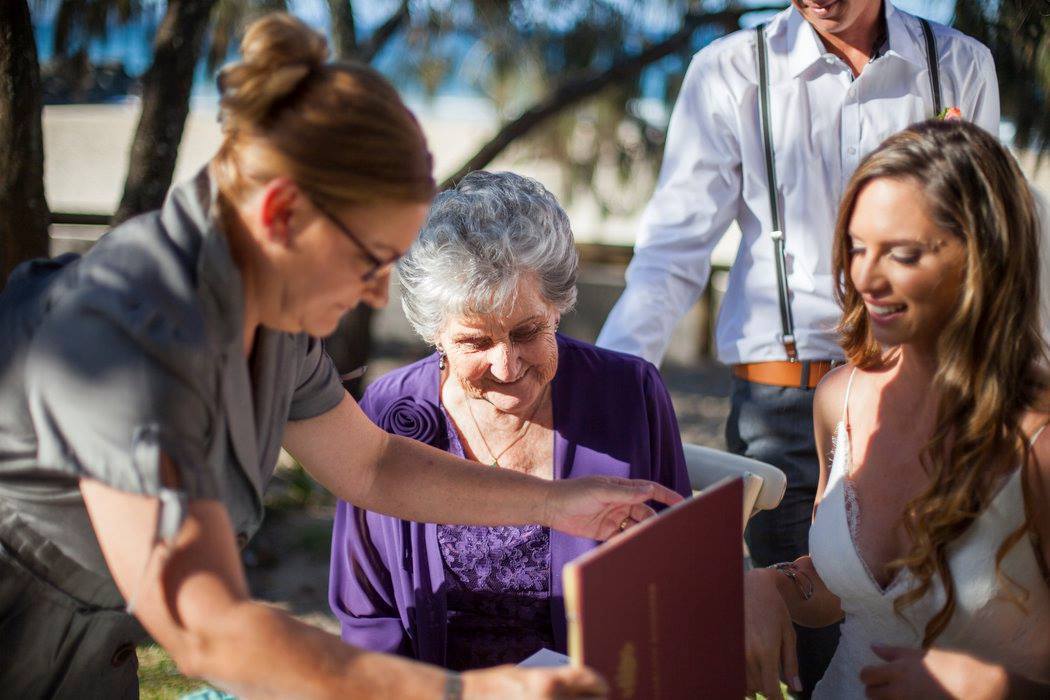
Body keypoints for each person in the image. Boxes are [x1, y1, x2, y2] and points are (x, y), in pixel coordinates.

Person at [0, 14, 681, 699]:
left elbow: (374, 463)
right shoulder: (123, 346)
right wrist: (468, 694)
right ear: (282, 215)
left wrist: (554, 503)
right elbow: (205, 629)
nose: (381, 292)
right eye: (369, 259)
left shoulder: (270, 318)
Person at [595, 0, 999, 691]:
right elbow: (670, 258)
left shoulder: (959, 64)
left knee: (945, 628)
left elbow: (992, 244)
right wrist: (604, 394)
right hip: (782, 412)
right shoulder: (728, 72)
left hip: (934, 400)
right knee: (814, 661)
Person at [328, 171, 693, 669]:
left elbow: (680, 579)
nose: (507, 366)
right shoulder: (389, 412)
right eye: (475, 342)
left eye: (527, 332)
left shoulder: (630, 395)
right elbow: (368, 614)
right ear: (435, 334)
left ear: (558, 307)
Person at [743, 120, 1050, 699]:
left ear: (985, 255)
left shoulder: (1038, 439)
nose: (866, 277)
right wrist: (771, 586)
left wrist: (997, 688)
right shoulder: (842, 400)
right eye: (857, 247)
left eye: (902, 254)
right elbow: (843, 589)